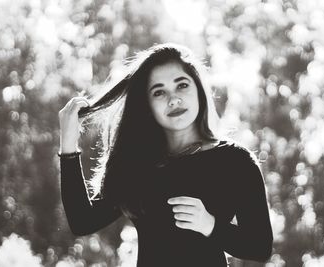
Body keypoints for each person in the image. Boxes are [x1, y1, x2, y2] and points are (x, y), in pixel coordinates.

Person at [58, 43, 273, 267]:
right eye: (159, 92)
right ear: (147, 104)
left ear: (199, 89)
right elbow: (82, 221)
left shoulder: (235, 162)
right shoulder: (140, 167)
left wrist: (210, 225)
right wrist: (68, 144)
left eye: (182, 85)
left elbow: (260, 247)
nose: (173, 99)